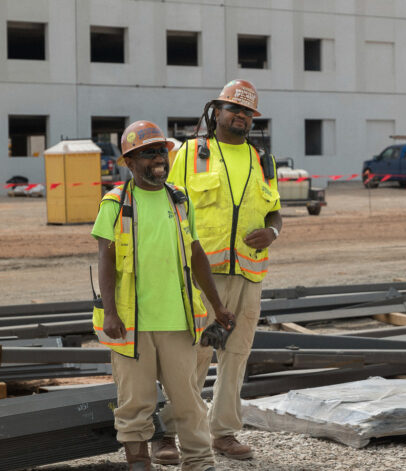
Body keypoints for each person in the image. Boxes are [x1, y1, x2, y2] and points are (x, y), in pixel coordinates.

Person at [92, 120, 234, 471]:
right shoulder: (115, 203)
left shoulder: (180, 200)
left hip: (177, 322)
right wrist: (110, 313)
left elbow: (197, 254)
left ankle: (200, 463)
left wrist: (217, 305)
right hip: (131, 326)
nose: (158, 158)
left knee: (187, 402)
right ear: (129, 162)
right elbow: (105, 260)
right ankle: (139, 463)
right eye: (147, 153)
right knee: (134, 404)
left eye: (160, 151)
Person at [163, 79, 282, 461]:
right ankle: (170, 430)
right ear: (216, 112)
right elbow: (168, 208)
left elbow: (274, 209)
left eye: (248, 112)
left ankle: (224, 433)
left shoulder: (261, 159)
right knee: (192, 353)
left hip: (248, 276)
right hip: (201, 276)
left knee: (236, 353)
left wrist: (274, 230)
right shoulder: (190, 154)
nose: (241, 117)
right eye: (234, 109)